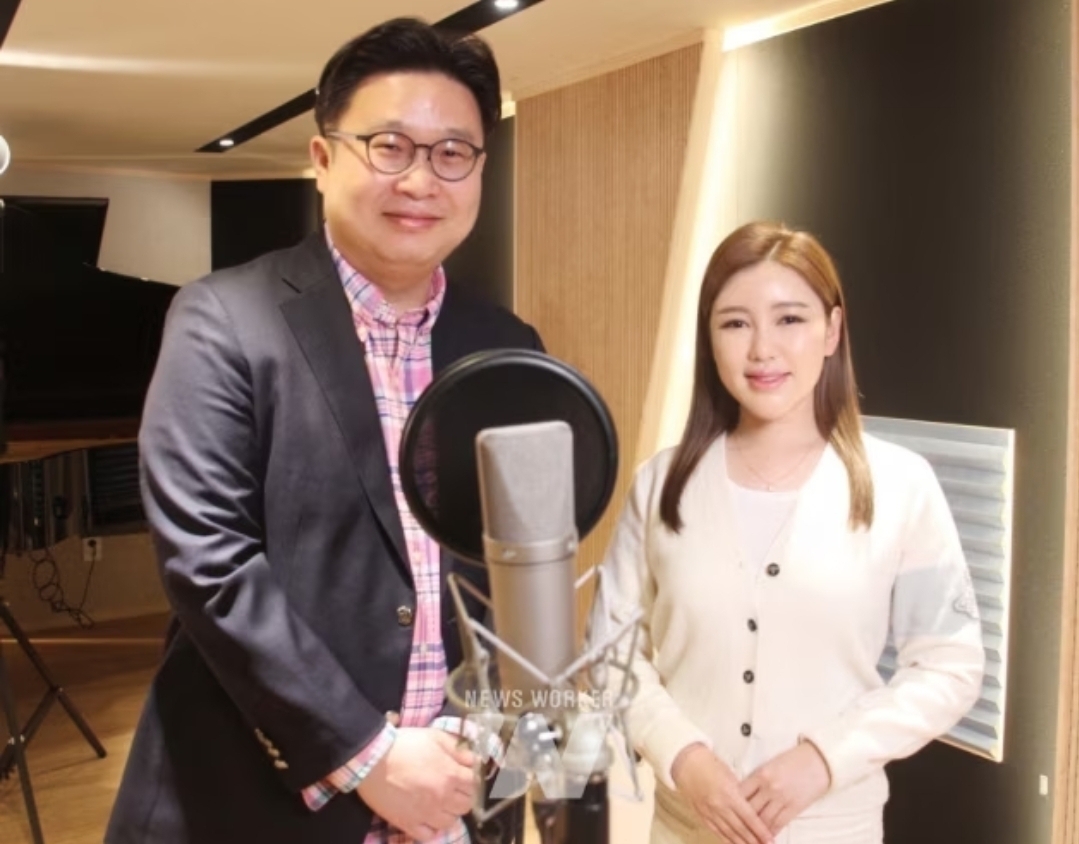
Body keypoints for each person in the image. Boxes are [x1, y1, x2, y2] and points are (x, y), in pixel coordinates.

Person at [106, 17, 542, 844]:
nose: (421, 179)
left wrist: (473, 739)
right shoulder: (222, 320)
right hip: (252, 807)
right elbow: (209, 563)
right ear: (321, 158)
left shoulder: (507, 347)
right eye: (389, 146)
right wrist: (367, 757)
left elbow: (519, 573)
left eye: (453, 152)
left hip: (454, 802)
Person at [588, 221, 985, 844]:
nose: (762, 350)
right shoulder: (660, 484)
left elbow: (950, 666)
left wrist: (824, 759)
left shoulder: (902, 485)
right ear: (710, 339)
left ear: (832, 330)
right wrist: (682, 755)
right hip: (685, 828)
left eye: (790, 319)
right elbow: (608, 656)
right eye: (735, 323)